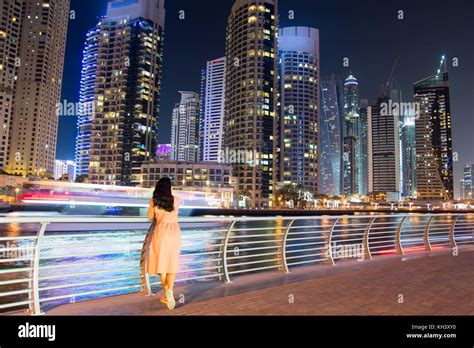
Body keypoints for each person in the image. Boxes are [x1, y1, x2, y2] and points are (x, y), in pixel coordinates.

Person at [145, 177, 181, 310]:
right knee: (172, 263)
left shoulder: (154, 201)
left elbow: (149, 217)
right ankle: (169, 292)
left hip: (161, 232)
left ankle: (167, 291)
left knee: (161, 264)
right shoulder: (176, 200)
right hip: (174, 232)